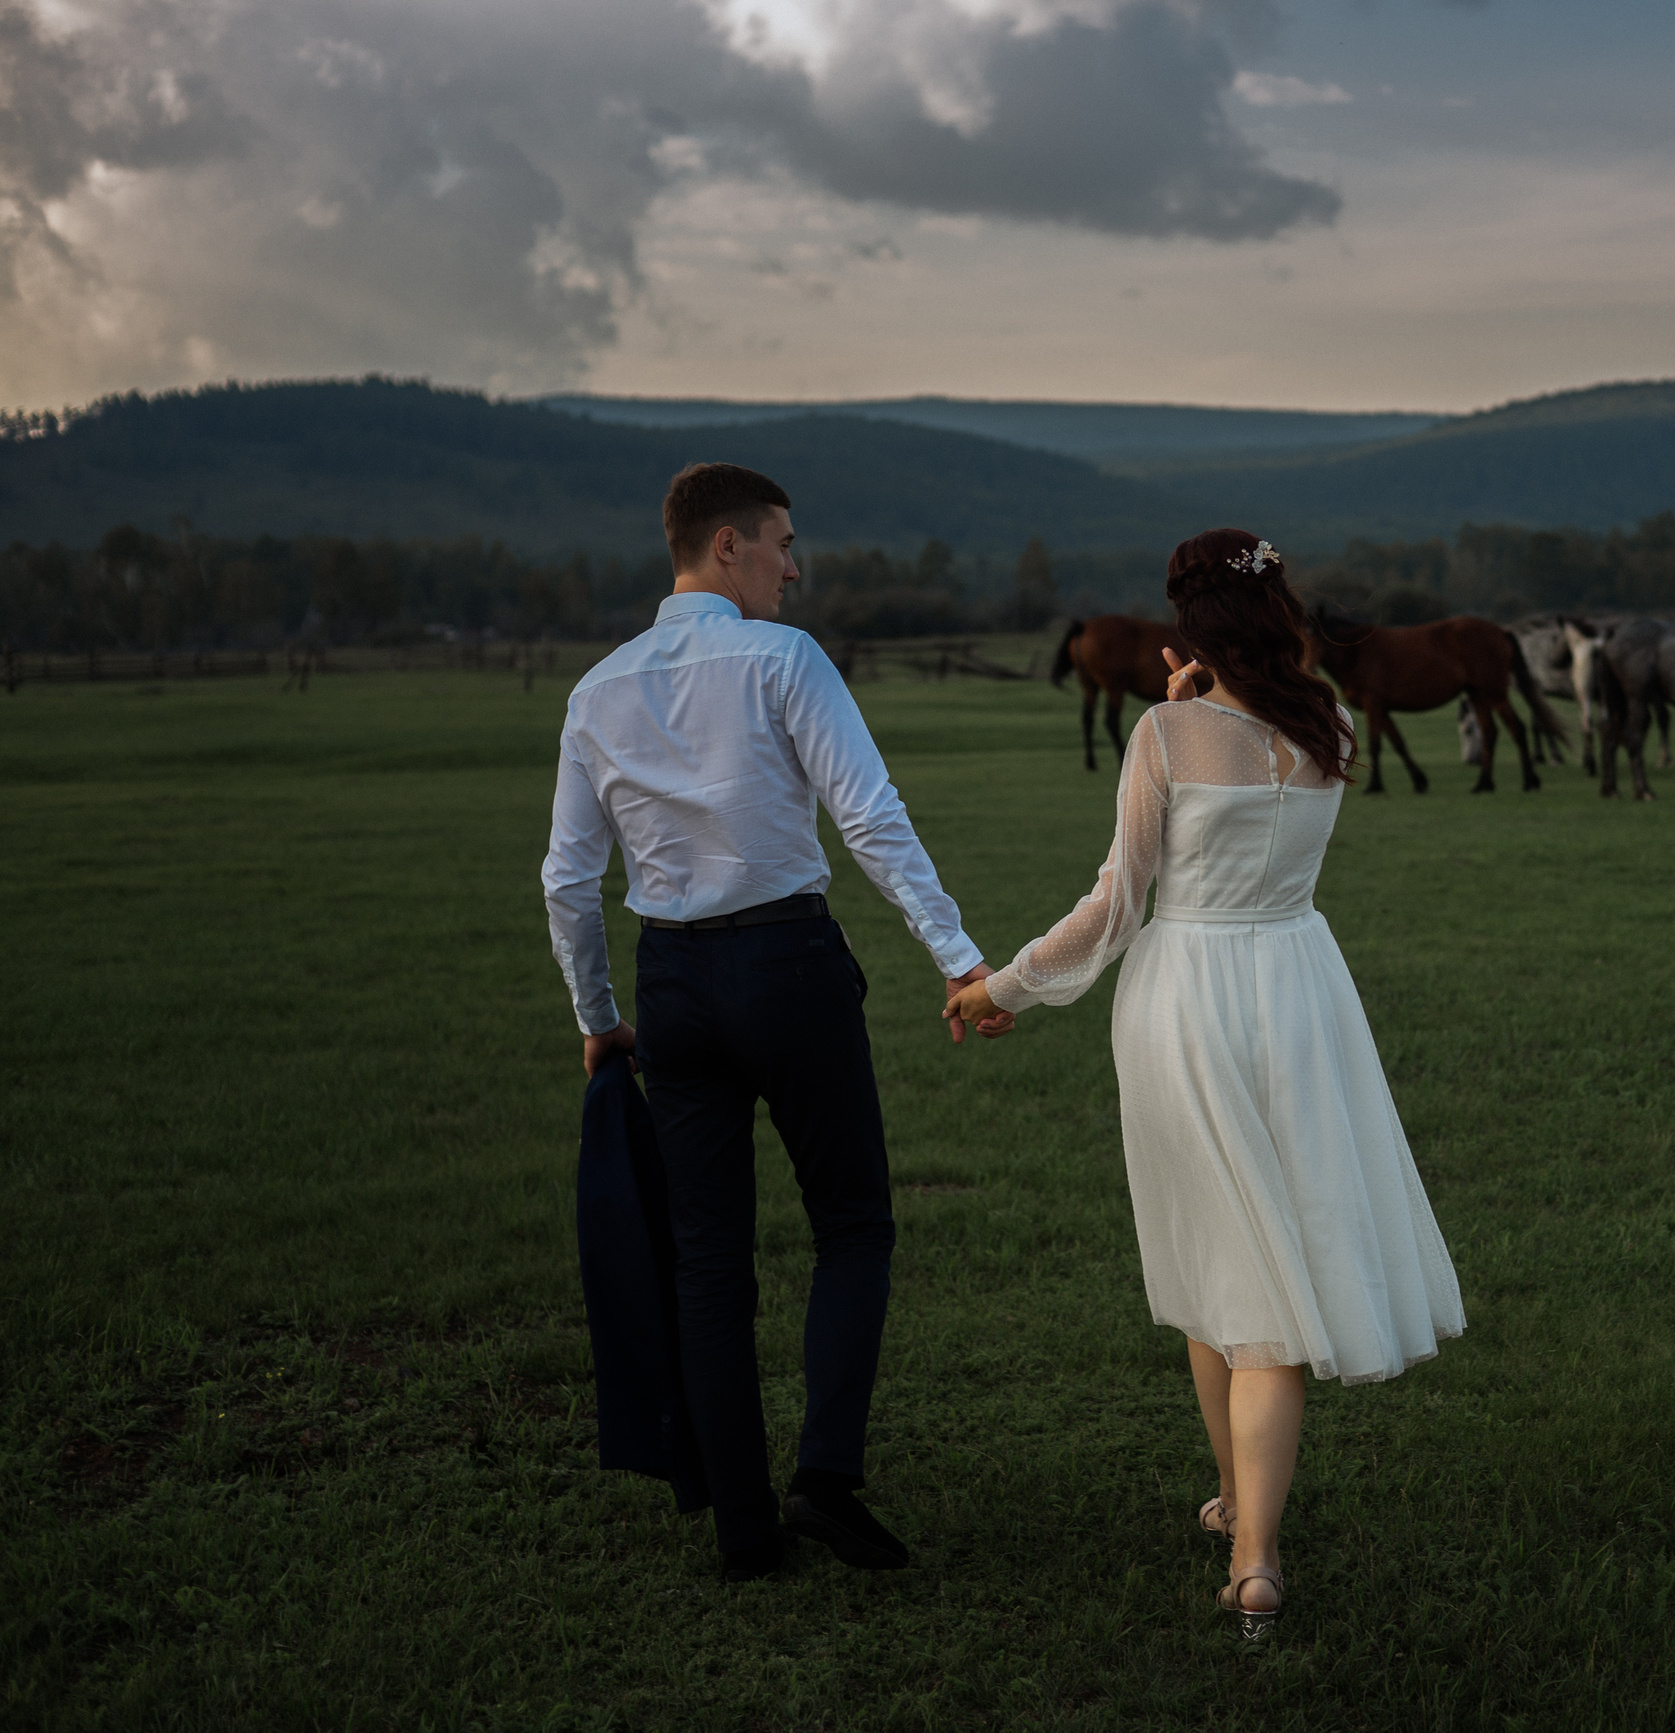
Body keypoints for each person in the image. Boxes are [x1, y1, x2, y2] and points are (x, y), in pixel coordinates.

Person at [944, 528, 1466, 1639]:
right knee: (1256, 1253)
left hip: (1189, 995)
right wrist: (1207, 694)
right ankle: (1243, 1512)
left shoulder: (1165, 733)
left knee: (1217, 1260)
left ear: (1190, 629)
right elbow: (1256, 758)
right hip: (1302, 989)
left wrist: (1006, 985)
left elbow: (1115, 903)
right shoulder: (1323, 728)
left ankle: (1256, 1552)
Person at [541, 462, 1011, 1583]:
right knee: (852, 1224)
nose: (795, 567)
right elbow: (868, 814)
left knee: (710, 1263)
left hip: (671, 990)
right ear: (724, 548)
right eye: (783, 544)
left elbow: (566, 878)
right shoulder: (783, 658)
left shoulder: (597, 689)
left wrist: (599, 1018)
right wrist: (959, 957)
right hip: (790, 964)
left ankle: (743, 1528)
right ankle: (825, 1479)